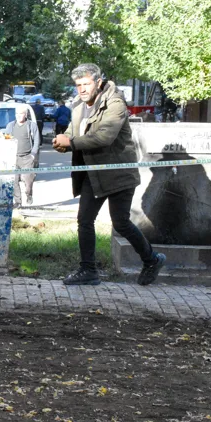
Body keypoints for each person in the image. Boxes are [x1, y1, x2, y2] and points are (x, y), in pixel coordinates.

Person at [52, 63, 165, 286]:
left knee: (121, 223)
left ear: (98, 82)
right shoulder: (77, 105)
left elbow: (104, 137)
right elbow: (72, 131)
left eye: (86, 84)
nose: (82, 89)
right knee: (84, 220)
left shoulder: (115, 104)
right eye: (78, 85)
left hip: (118, 173)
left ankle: (152, 260)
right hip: (92, 175)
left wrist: (72, 143)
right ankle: (88, 271)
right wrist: (62, 141)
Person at [6, 105, 41, 207]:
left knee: (28, 181)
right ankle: (18, 202)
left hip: (27, 158)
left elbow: (37, 140)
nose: (18, 116)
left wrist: (33, 155)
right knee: (14, 181)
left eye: (21, 114)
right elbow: (6, 140)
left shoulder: (31, 125)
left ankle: (29, 195)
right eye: (17, 114)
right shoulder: (11, 126)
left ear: (25, 115)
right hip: (14, 158)